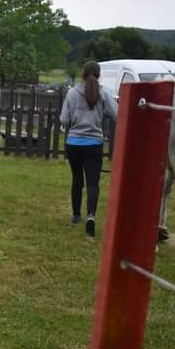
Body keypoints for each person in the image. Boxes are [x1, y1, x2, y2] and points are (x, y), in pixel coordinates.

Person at [60, 61, 118, 237]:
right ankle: (91, 215)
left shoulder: (72, 93)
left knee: (77, 179)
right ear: (99, 75)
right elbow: (117, 114)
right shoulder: (103, 93)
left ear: (83, 73)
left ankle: (76, 215)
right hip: (94, 143)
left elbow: (64, 119)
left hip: (74, 143)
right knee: (93, 182)